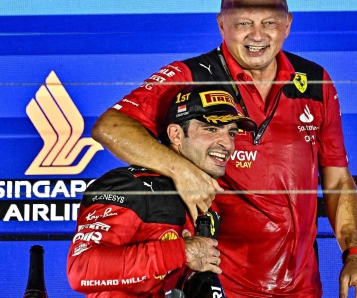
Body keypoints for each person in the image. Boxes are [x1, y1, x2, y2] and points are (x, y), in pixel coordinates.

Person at [91, 0, 357, 297]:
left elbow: (338, 180)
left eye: (269, 23)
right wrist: (182, 171)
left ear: (288, 24)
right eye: (243, 24)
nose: (257, 36)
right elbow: (110, 127)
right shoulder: (190, 76)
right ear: (221, 24)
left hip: (302, 287)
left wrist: (353, 253)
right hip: (215, 284)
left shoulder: (315, 81)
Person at [67, 85, 257, 297]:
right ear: (175, 134)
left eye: (231, 132)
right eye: (211, 129)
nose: (227, 143)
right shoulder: (129, 185)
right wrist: (180, 251)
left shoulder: (208, 202)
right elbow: (81, 270)